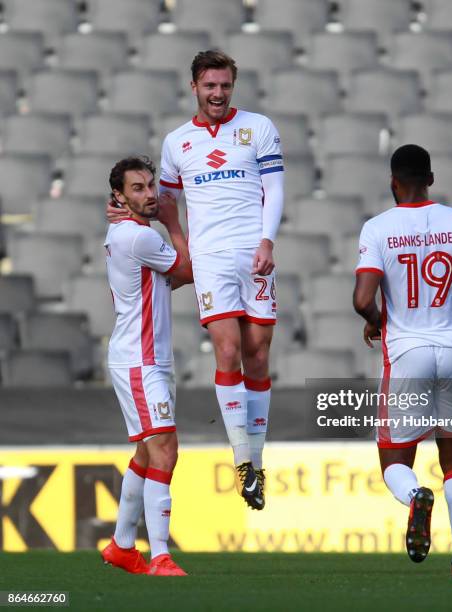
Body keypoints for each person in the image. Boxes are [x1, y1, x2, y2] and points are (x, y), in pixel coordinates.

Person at [109, 50, 285, 511]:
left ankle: (257, 463)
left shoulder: (259, 128)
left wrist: (267, 241)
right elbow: (159, 202)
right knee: (227, 350)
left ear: (233, 85)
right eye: (210, 86)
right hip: (209, 258)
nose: (218, 93)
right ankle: (243, 459)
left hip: (253, 253)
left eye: (225, 85)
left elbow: (276, 189)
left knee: (258, 353)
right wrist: (125, 211)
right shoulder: (177, 143)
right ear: (195, 87)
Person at [353, 144, 452, 580]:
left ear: (393, 182)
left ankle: (415, 497)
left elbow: (362, 300)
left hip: (408, 354)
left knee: (393, 463)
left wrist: (378, 321)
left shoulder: (377, 229)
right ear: (431, 178)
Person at [101, 156, 193, 576]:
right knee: (166, 450)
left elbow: (172, 276)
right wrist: (174, 223)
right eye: (137, 188)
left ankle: (122, 546)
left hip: (150, 357)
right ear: (119, 196)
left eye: (151, 186)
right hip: (140, 361)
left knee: (146, 450)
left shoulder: (135, 233)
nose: (151, 194)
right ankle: (159, 555)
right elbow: (188, 269)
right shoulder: (139, 238)